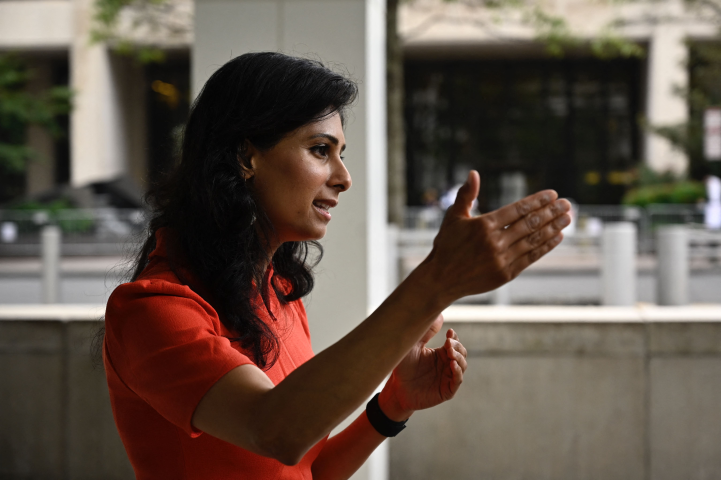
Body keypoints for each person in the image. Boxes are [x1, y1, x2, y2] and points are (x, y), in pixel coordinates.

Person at [103, 52, 571, 480]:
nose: (343, 178)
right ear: (247, 157)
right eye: (320, 150)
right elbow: (274, 431)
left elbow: (306, 467)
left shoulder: (275, 288)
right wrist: (436, 281)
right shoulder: (152, 310)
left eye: (340, 153)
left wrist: (390, 407)